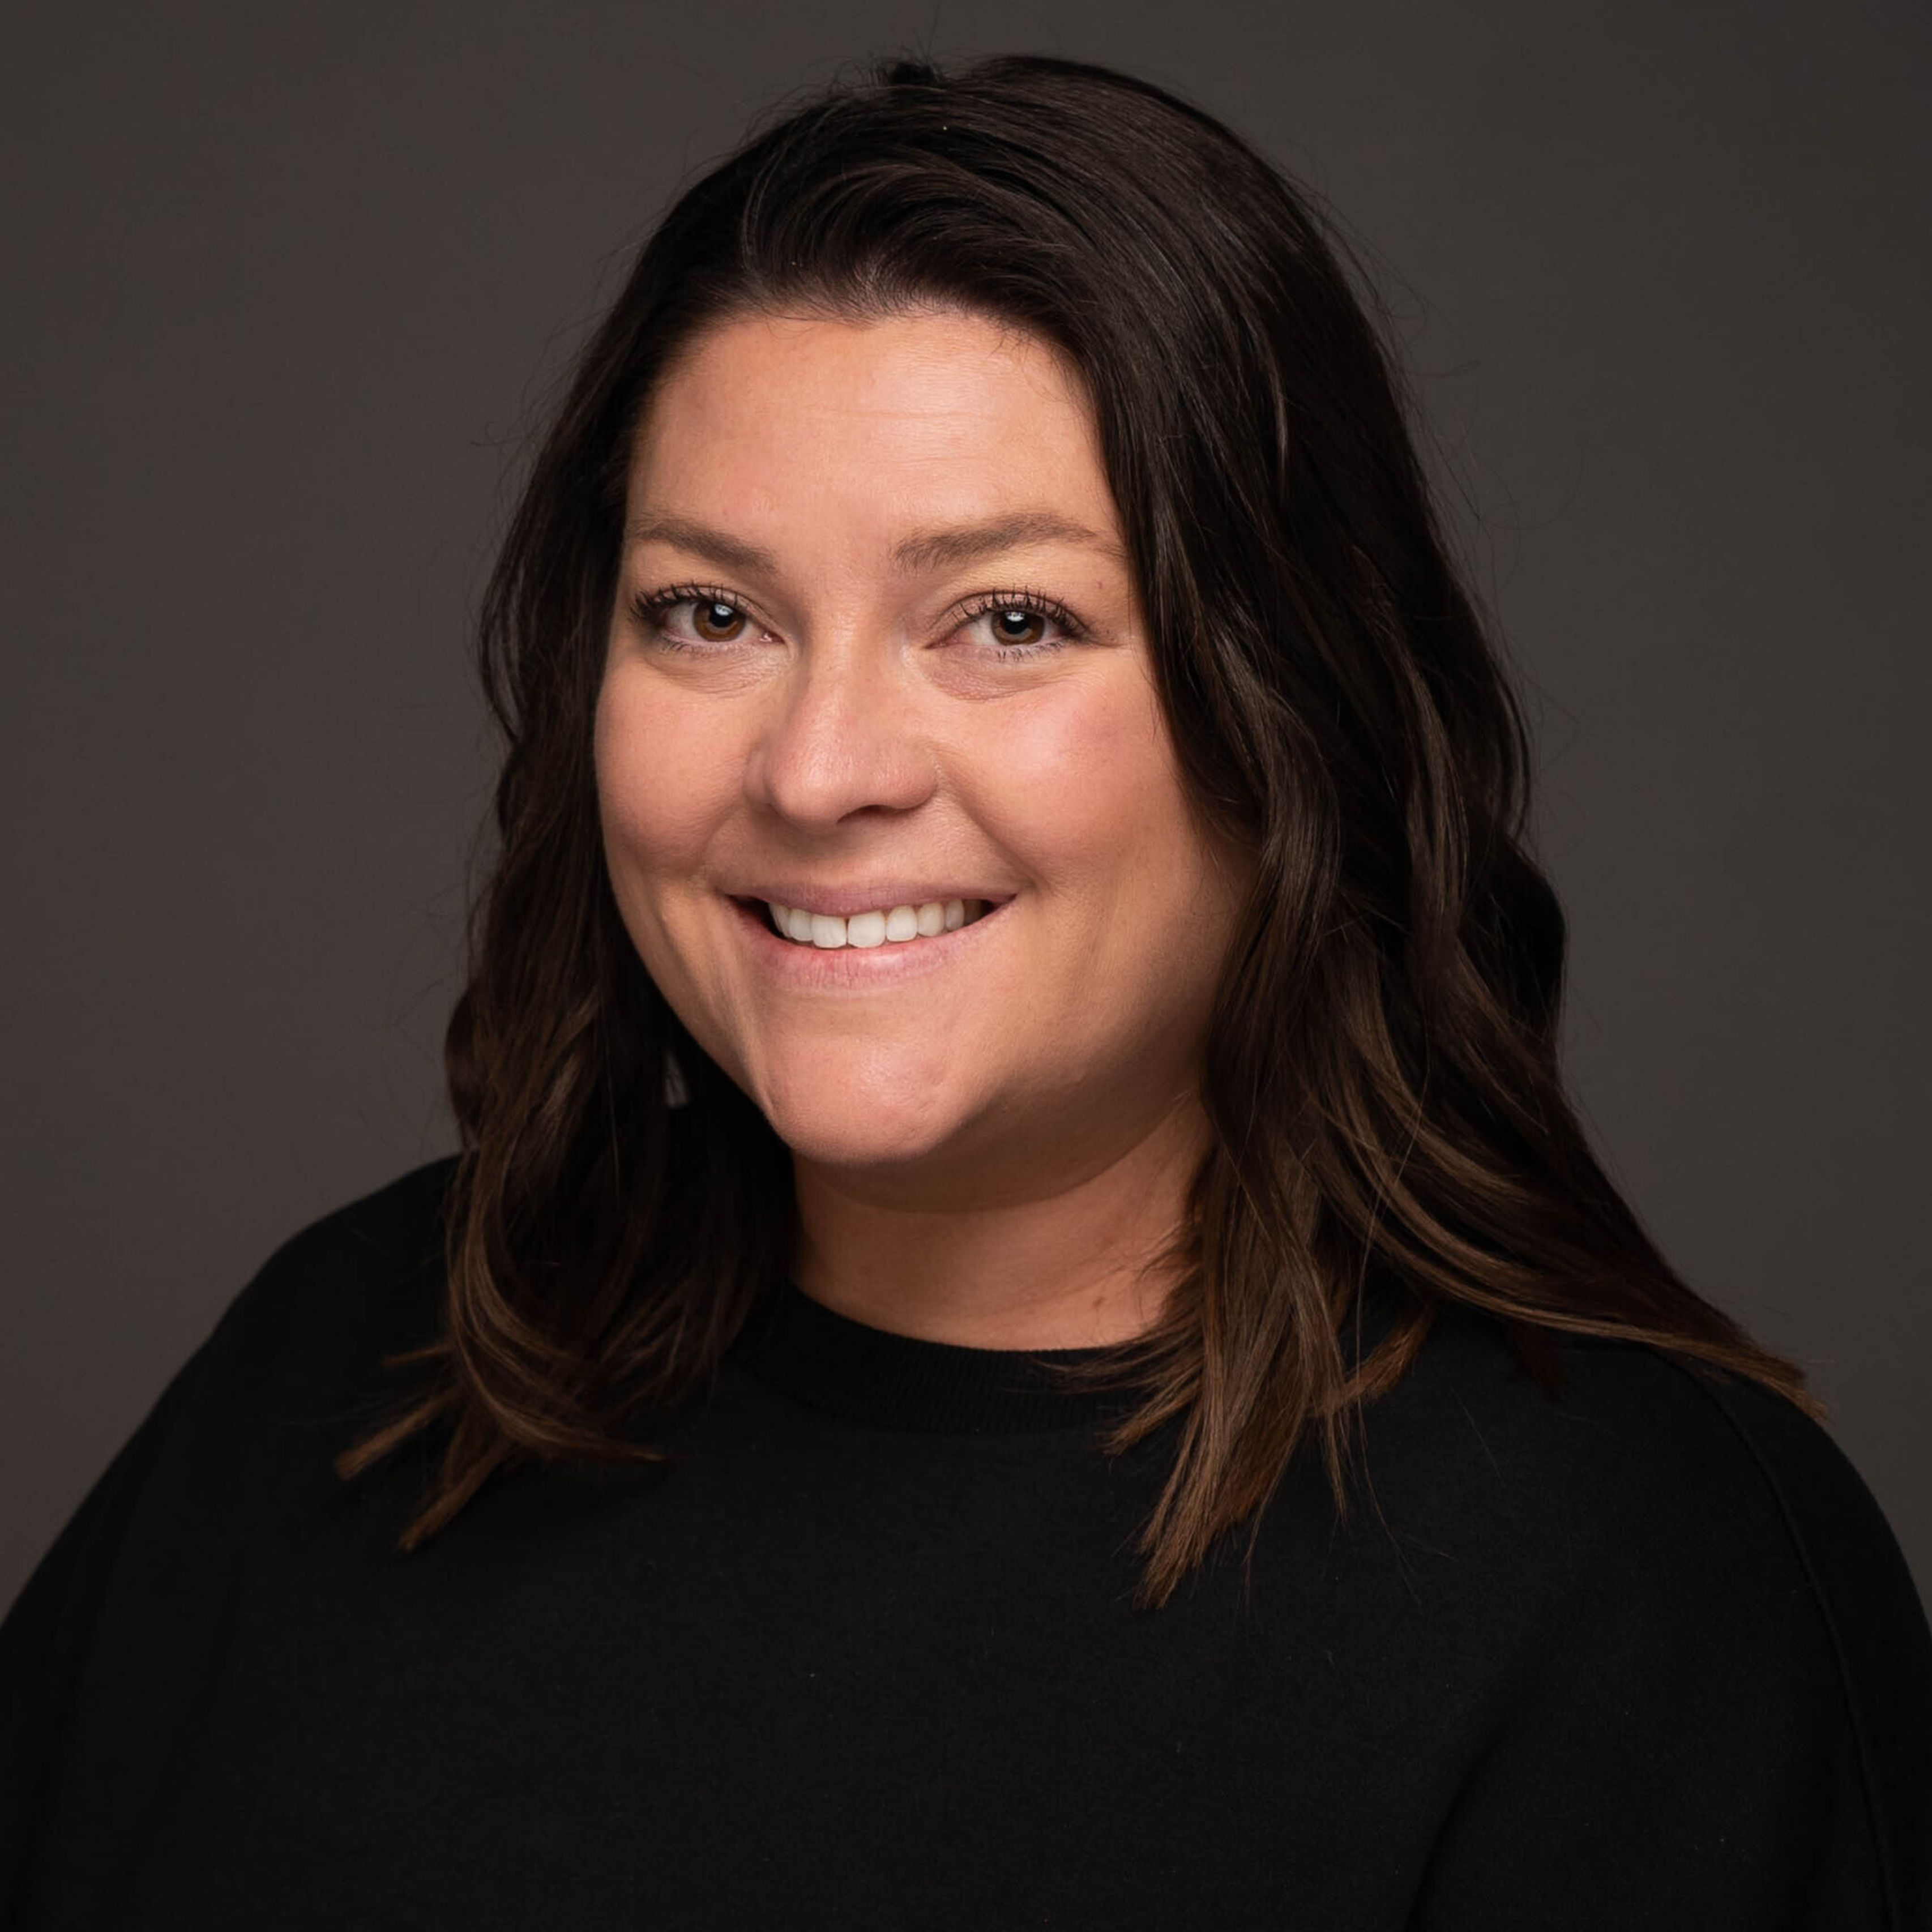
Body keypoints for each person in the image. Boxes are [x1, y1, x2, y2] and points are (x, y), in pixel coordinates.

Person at [2, 50, 1927, 1930]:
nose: (818, 766)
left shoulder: (1633, 1577)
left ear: (1295, 708)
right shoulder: (353, 1355)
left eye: (1009, 620)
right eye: (710, 613)